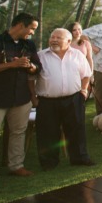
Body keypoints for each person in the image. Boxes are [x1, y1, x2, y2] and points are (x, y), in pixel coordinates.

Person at [0, 12, 41, 188]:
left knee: (18, 132)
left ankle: (16, 166)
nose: (32, 33)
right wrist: (11, 65)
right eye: (31, 29)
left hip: (21, 97)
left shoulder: (29, 45)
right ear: (20, 25)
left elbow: (38, 67)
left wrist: (31, 66)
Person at [31, 28, 93, 169]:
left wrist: (83, 90)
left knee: (77, 130)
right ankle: (48, 163)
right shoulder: (40, 56)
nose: (54, 40)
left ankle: (80, 158)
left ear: (69, 41)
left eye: (58, 38)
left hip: (73, 99)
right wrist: (33, 97)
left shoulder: (77, 55)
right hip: (47, 101)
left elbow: (86, 74)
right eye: (52, 37)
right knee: (47, 133)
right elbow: (30, 79)